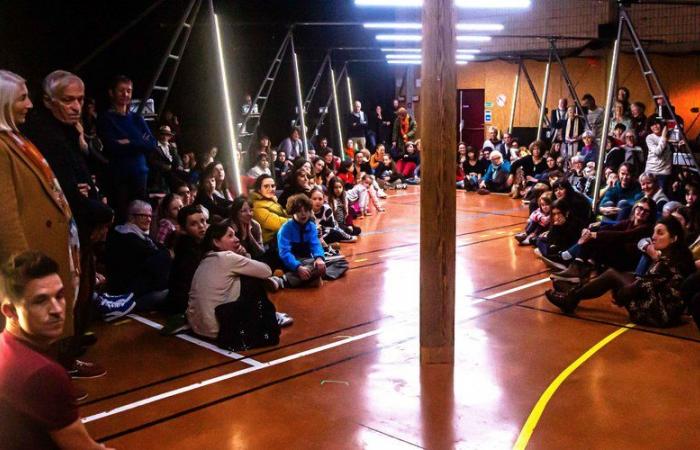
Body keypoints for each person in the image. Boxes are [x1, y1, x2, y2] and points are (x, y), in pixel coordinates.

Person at [0, 251, 113, 450]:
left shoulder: (5, 347)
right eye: (40, 301)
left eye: (60, 296)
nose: (57, 309)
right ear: (10, 311)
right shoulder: (43, 374)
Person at [0, 70, 80, 341]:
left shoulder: (15, 139)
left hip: (45, 249)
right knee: (33, 337)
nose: (30, 105)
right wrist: (25, 272)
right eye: (22, 98)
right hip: (31, 261)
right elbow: (5, 218)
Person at [545, 216, 696, 327]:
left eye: (660, 233)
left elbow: (638, 288)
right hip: (668, 311)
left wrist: (621, 294)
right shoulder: (680, 256)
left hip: (657, 314)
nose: (654, 237)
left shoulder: (667, 263)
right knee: (621, 276)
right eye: (654, 232)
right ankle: (574, 294)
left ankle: (571, 297)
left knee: (612, 275)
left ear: (674, 238)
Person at [187, 223, 289, 347]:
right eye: (230, 236)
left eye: (235, 235)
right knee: (253, 280)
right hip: (219, 329)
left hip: (197, 327)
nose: (237, 239)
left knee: (241, 277)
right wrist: (245, 255)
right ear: (216, 242)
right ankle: (268, 317)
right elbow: (265, 271)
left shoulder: (205, 259)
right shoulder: (227, 257)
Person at [97, 75, 157, 222]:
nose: (125, 94)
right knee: (123, 218)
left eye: (129, 91)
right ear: (112, 93)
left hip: (140, 174)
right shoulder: (105, 119)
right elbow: (112, 146)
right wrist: (139, 142)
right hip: (119, 176)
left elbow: (152, 144)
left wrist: (129, 142)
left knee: (141, 217)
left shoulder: (137, 119)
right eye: (121, 90)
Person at [104, 200, 171, 312]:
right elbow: (157, 259)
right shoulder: (126, 237)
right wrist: (167, 253)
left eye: (150, 216)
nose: (149, 219)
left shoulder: (141, 236)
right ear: (131, 217)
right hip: (131, 297)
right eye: (144, 216)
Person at [277, 194, 348, 288]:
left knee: (342, 262)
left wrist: (319, 258)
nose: (303, 214)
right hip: (292, 262)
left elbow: (316, 245)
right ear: (292, 212)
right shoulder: (285, 229)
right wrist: (297, 267)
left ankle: (309, 278)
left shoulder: (311, 226)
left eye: (306, 211)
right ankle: (283, 281)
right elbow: (285, 253)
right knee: (313, 266)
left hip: (308, 261)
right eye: (299, 211)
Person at [160, 204, 208, 335]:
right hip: (183, 303)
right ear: (184, 229)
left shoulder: (203, 243)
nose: (201, 226)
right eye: (194, 224)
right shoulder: (186, 252)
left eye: (203, 221)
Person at [251, 174, 289, 245]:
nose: (271, 189)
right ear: (259, 189)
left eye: (273, 186)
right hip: (271, 244)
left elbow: (285, 213)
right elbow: (278, 224)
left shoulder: (271, 200)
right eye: (266, 186)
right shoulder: (257, 207)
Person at [148, 124, 184, 194]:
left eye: (167, 135)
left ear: (170, 136)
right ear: (159, 135)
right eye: (163, 134)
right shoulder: (154, 146)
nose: (165, 137)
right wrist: (163, 166)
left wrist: (179, 164)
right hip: (159, 176)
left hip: (172, 174)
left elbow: (177, 159)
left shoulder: (172, 147)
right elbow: (151, 160)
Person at [645, 117, 672, 189]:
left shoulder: (669, 136)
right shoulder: (650, 137)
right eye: (652, 125)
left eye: (657, 124)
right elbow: (657, 152)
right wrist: (663, 136)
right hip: (651, 171)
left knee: (661, 194)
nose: (655, 126)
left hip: (664, 171)